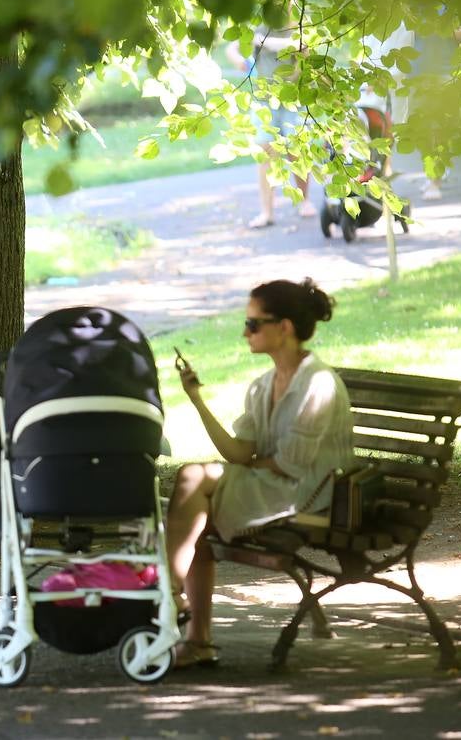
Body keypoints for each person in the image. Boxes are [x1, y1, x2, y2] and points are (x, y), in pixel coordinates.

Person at [165, 278, 355, 668]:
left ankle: (169, 595)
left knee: (194, 489)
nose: (244, 332)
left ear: (283, 328)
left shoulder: (317, 383)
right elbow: (239, 451)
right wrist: (196, 399)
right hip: (271, 486)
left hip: (307, 496)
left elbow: (289, 464)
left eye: (253, 324)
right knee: (191, 481)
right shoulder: (262, 385)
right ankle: (185, 619)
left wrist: (250, 463)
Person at [228, 14, 316, 228]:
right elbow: (232, 47)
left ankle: (304, 201)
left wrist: (261, 41)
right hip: (264, 100)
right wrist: (241, 61)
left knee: (297, 151)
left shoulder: (301, 22)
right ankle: (266, 212)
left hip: (293, 98)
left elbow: (302, 46)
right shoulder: (258, 23)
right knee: (266, 151)